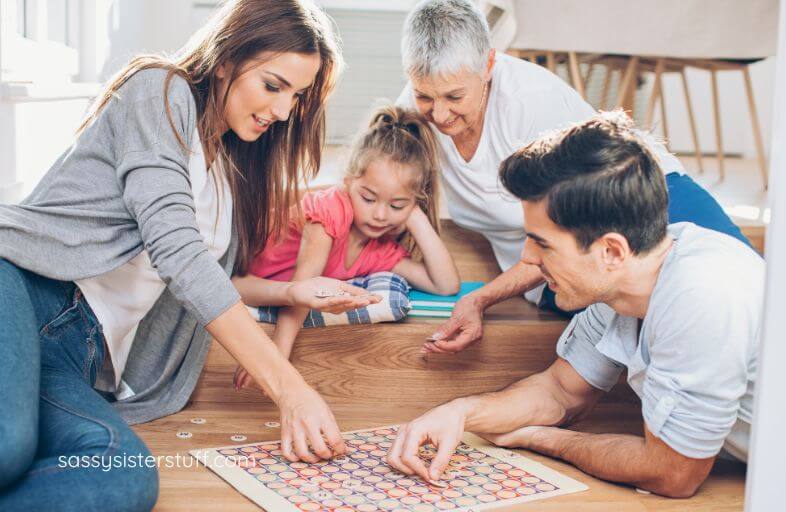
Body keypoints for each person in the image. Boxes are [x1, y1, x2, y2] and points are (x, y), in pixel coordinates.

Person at [0, 1, 373, 509]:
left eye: (297, 96)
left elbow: (202, 283)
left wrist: (290, 291)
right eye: (273, 85)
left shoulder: (230, 174)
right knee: (7, 443)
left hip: (74, 354)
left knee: (124, 478)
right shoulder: (160, 91)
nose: (284, 111)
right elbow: (175, 250)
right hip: (23, 291)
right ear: (225, 60)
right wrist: (290, 389)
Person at [387, 112, 762, 498]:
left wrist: (543, 440)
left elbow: (671, 473)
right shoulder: (623, 283)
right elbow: (559, 392)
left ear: (610, 250)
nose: (528, 259)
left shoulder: (704, 293)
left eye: (543, 243)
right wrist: (460, 413)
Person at [396, 0, 751, 354]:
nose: (439, 114)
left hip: (648, 193)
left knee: (750, 299)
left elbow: (571, 231)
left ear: (488, 65)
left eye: (454, 96)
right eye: (424, 95)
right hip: (556, 261)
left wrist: (482, 298)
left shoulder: (531, 102)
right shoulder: (410, 116)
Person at [233, 105, 460, 387]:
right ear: (348, 183)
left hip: (278, 293)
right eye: (368, 198)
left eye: (397, 204)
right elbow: (304, 287)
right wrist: (276, 358)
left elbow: (445, 285)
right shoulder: (332, 210)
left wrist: (416, 218)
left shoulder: (379, 249)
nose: (380, 214)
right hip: (238, 283)